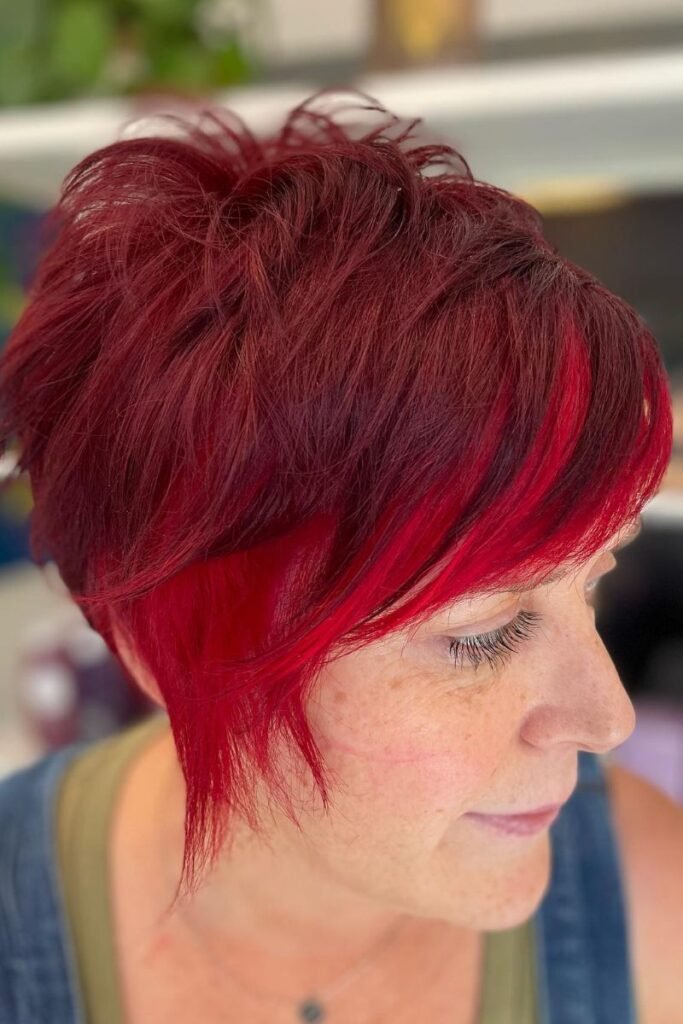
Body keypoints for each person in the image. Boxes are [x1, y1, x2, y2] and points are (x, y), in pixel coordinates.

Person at [0, 88, 681, 1024]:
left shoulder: (652, 903)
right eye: (482, 633)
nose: (605, 718)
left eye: (592, 582)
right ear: (167, 648)